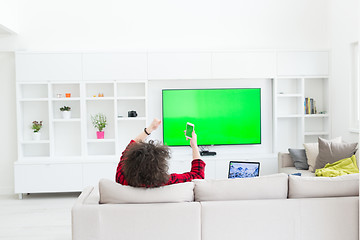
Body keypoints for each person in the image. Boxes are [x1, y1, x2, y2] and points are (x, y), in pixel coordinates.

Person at [115, 118, 205, 187]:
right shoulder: (167, 182)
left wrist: (149, 129)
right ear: (160, 165)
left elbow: (128, 149)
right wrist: (194, 145)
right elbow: (198, 175)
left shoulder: (122, 179)